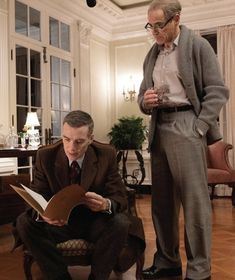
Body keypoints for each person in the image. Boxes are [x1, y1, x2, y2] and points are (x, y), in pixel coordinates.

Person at [138, 1, 229, 280]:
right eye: (149, 26)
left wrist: (200, 127)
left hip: (187, 124)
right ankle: (167, 261)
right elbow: (142, 96)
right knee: (162, 203)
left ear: (176, 19)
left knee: (195, 202)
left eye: (159, 25)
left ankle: (200, 269)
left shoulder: (198, 46)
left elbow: (217, 91)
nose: (154, 31)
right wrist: (145, 101)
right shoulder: (151, 54)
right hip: (159, 127)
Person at [15, 110, 145, 280]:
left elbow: (119, 197)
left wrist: (106, 204)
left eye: (79, 142)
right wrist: (44, 214)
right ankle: (60, 276)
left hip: (95, 222)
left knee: (121, 222)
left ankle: (97, 277)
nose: (71, 148)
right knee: (24, 222)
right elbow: (37, 196)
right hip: (58, 224)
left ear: (90, 139)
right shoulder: (45, 155)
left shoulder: (106, 154)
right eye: (66, 139)